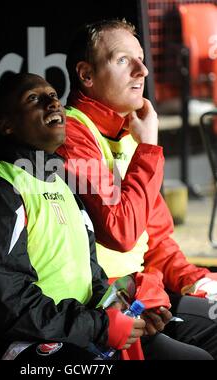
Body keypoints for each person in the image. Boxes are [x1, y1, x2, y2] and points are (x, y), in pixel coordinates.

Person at [0, 72, 147, 361]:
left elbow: (92, 279)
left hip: (73, 336)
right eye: (34, 98)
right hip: (4, 346)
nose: (53, 103)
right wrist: (97, 326)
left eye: (53, 95)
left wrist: (125, 314)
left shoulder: (62, 184)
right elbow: (6, 307)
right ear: (5, 125)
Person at [56, 18, 217, 359]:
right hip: (99, 310)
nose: (142, 70)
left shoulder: (130, 136)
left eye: (141, 58)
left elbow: (155, 238)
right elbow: (122, 231)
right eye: (123, 60)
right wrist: (148, 147)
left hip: (141, 297)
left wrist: (196, 281)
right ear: (86, 75)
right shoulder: (72, 135)